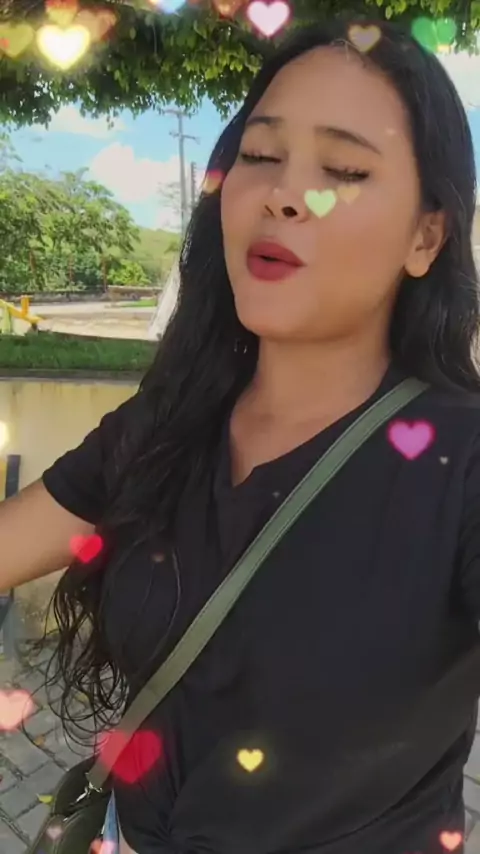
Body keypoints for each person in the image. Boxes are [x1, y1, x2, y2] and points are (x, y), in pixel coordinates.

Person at [1, 17, 480, 854]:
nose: (283, 195)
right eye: (260, 155)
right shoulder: (169, 421)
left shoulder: (461, 462)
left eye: (344, 170)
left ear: (426, 236)